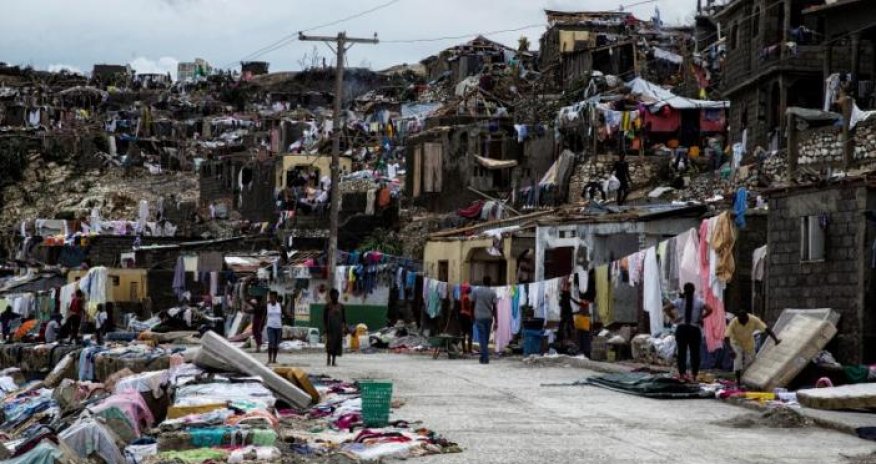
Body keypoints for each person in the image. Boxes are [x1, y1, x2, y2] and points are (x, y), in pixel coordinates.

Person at [663, 283, 713, 382]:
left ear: (684, 290)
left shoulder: (679, 301)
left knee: (681, 352)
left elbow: (666, 308)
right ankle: (694, 374)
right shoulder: (699, 301)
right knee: (695, 353)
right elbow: (710, 309)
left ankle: (682, 374)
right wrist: (701, 317)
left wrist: (674, 318)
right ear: (694, 291)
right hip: (694, 329)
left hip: (682, 328)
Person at [725, 308, 781, 386]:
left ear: (747, 317)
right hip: (736, 342)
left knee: (750, 361)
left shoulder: (754, 319)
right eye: (740, 321)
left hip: (748, 342)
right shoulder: (734, 322)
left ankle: (746, 379)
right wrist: (730, 350)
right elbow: (726, 337)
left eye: (744, 321)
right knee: (737, 361)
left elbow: (766, 329)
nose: (743, 323)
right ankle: (738, 382)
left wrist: (775, 339)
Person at [471, 276, 497, 364]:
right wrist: (496, 320)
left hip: (479, 317)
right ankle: (484, 357)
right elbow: (495, 308)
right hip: (488, 317)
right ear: (490, 282)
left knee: (482, 338)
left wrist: (472, 316)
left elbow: (472, 304)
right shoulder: (493, 292)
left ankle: (484, 357)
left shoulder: (476, 291)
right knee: (485, 338)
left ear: (483, 282)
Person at [323, 289, 347, 367]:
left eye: (336, 295)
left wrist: (344, 327)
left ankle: (333, 361)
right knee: (330, 345)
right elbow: (324, 318)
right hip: (330, 329)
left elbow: (344, 319)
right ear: (331, 296)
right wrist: (325, 328)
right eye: (333, 295)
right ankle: (328, 360)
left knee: (336, 345)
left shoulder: (341, 306)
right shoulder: (327, 306)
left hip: (338, 329)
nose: (335, 296)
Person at [266, 292, 284, 365]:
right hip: (270, 326)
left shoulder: (280, 305)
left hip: (278, 327)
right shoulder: (267, 306)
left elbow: (284, 314)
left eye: (273, 297)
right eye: (270, 298)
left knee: (276, 344)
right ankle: (269, 359)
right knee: (271, 342)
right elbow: (264, 315)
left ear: (276, 298)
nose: (271, 299)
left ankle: (274, 359)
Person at [459, 285, 474, 354]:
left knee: (463, 333)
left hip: (462, 316)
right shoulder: (467, 297)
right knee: (470, 333)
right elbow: (468, 307)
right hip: (467, 316)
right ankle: (469, 349)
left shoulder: (462, 296)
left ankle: (464, 349)